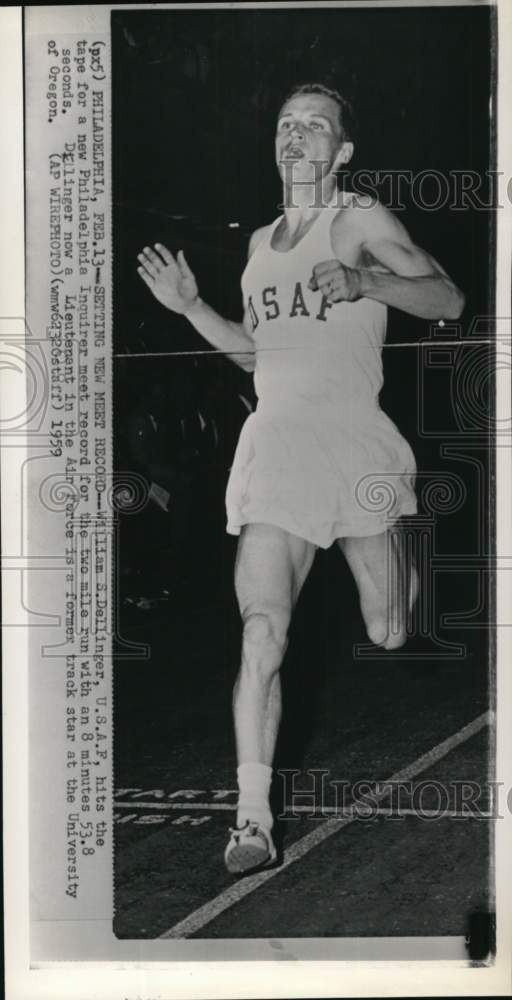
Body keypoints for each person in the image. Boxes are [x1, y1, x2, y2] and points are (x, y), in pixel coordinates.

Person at [136, 82, 465, 876]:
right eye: (287, 125)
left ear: (342, 151)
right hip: (278, 445)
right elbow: (258, 356)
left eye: (316, 128)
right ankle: (252, 819)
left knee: (389, 627)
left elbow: (449, 298)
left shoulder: (359, 219)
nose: (297, 138)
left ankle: (404, 534)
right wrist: (191, 309)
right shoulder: (256, 245)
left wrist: (366, 284)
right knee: (261, 631)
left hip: (351, 442)